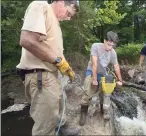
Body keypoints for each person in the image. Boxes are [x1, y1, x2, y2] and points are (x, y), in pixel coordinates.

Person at [16, 0, 80, 135]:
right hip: (40, 75)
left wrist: (66, 67)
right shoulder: (40, 6)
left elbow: (52, 50)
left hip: (51, 74)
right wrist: (58, 61)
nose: (68, 18)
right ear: (61, 2)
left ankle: (61, 129)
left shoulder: (55, 22)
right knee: (45, 124)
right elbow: (27, 40)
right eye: (68, 13)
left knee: (59, 107)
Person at [79, 31, 123, 126]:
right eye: (109, 44)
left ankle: (104, 110)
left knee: (106, 94)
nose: (110, 48)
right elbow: (94, 64)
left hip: (103, 74)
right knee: (88, 92)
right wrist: (94, 79)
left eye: (113, 45)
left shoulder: (113, 53)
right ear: (104, 41)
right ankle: (83, 112)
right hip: (92, 72)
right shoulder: (96, 46)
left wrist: (120, 80)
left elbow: (116, 66)